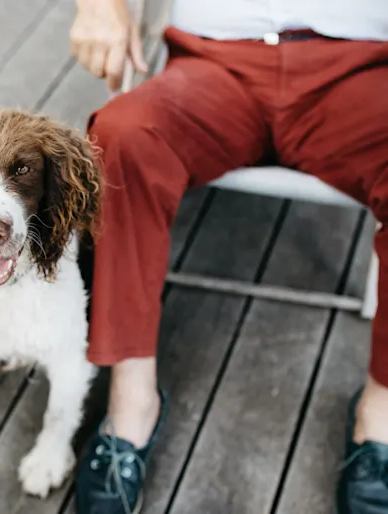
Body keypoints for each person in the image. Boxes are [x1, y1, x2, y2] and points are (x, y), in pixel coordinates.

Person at [69, 0, 388, 512]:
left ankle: (381, 415)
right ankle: (131, 407)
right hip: (212, 64)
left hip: (359, 66)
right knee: (123, 137)